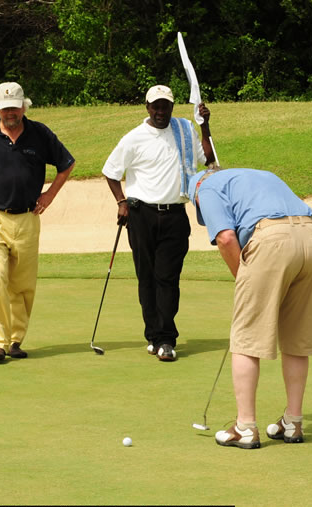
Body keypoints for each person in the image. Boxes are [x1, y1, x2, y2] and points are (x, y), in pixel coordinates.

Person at [187, 167, 312, 449]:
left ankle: (245, 427)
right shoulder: (258, 176)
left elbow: (226, 238)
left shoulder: (203, 188)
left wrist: (242, 277)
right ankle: (293, 422)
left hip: (272, 241)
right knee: (296, 337)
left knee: (245, 338)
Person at [0, 82, 75, 362]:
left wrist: (50, 195)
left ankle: (15, 340)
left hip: (28, 218)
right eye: (5, 108)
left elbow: (66, 164)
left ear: (24, 106)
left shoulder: (39, 134)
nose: (11, 113)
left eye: (15, 107)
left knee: (23, 285)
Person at [102, 84, 215, 362]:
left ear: (172, 107)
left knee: (167, 278)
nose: (161, 111)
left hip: (175, 215)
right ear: (147, 107)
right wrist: (121, 202)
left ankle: (166, 339)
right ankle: (152, 334)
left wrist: (204, 126)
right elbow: (111, 172)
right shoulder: (133, 138)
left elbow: (209, 160)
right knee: (147, 278)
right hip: (141, 216)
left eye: (165, 106)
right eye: (156, 106)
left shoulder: (185, 130)